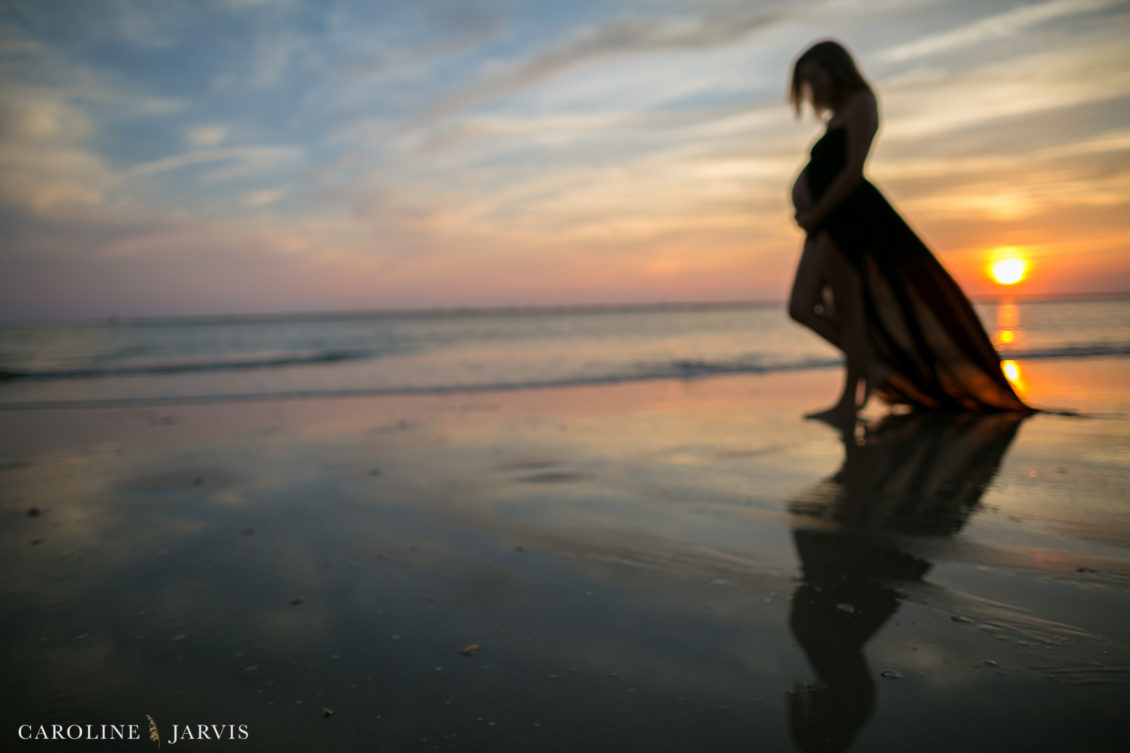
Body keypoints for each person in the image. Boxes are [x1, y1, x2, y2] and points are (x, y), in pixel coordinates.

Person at [786, 39, 1030, 426]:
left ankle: (849, 401)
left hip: (845, 220)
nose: (812, 88)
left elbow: (853, 171)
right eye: (807, 82)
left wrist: (816, 211)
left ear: (836, 68)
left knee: (850, 311)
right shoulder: (835, 116)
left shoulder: (862, 103)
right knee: (800, 306)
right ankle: (876, 369)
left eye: (815, 77)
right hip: (823, 222)